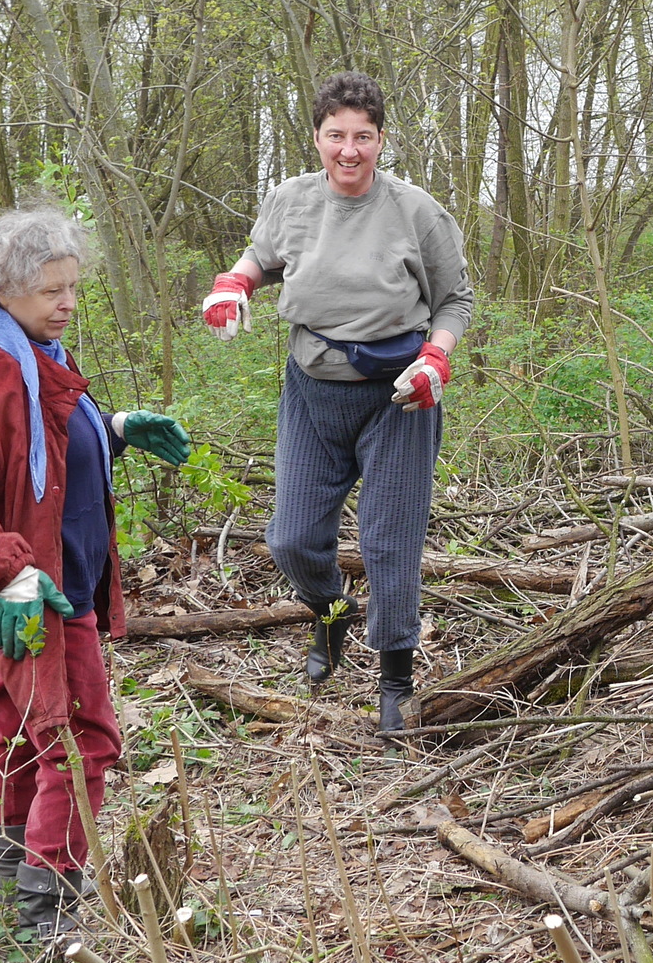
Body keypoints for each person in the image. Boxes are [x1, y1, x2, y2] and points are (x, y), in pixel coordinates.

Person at [0, 203, 191, 948]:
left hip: (49, 579)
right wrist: (10, 574)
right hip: (32, 591)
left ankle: (11, 880)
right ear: (1, 287)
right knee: (82, 739)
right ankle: (44, 921)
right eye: (52, 290)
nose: (67, 303)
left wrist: (111, 431)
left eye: (74, 287)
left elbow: (37, 457)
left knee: (23, 731)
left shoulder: (30, 352)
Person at [200, 72, 472, 733]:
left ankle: (396, 680)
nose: (349, 150)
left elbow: (455, 301)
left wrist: (437, 356)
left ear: (382, 140)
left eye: (363, 137)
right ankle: (330, 610)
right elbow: (260, 259)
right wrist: (234, 285)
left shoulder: (416, 212)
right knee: (291, 539)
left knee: (388, 543)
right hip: (312, 391)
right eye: (335, 136)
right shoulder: (291, 200)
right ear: (317, 137)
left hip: (399, 398)